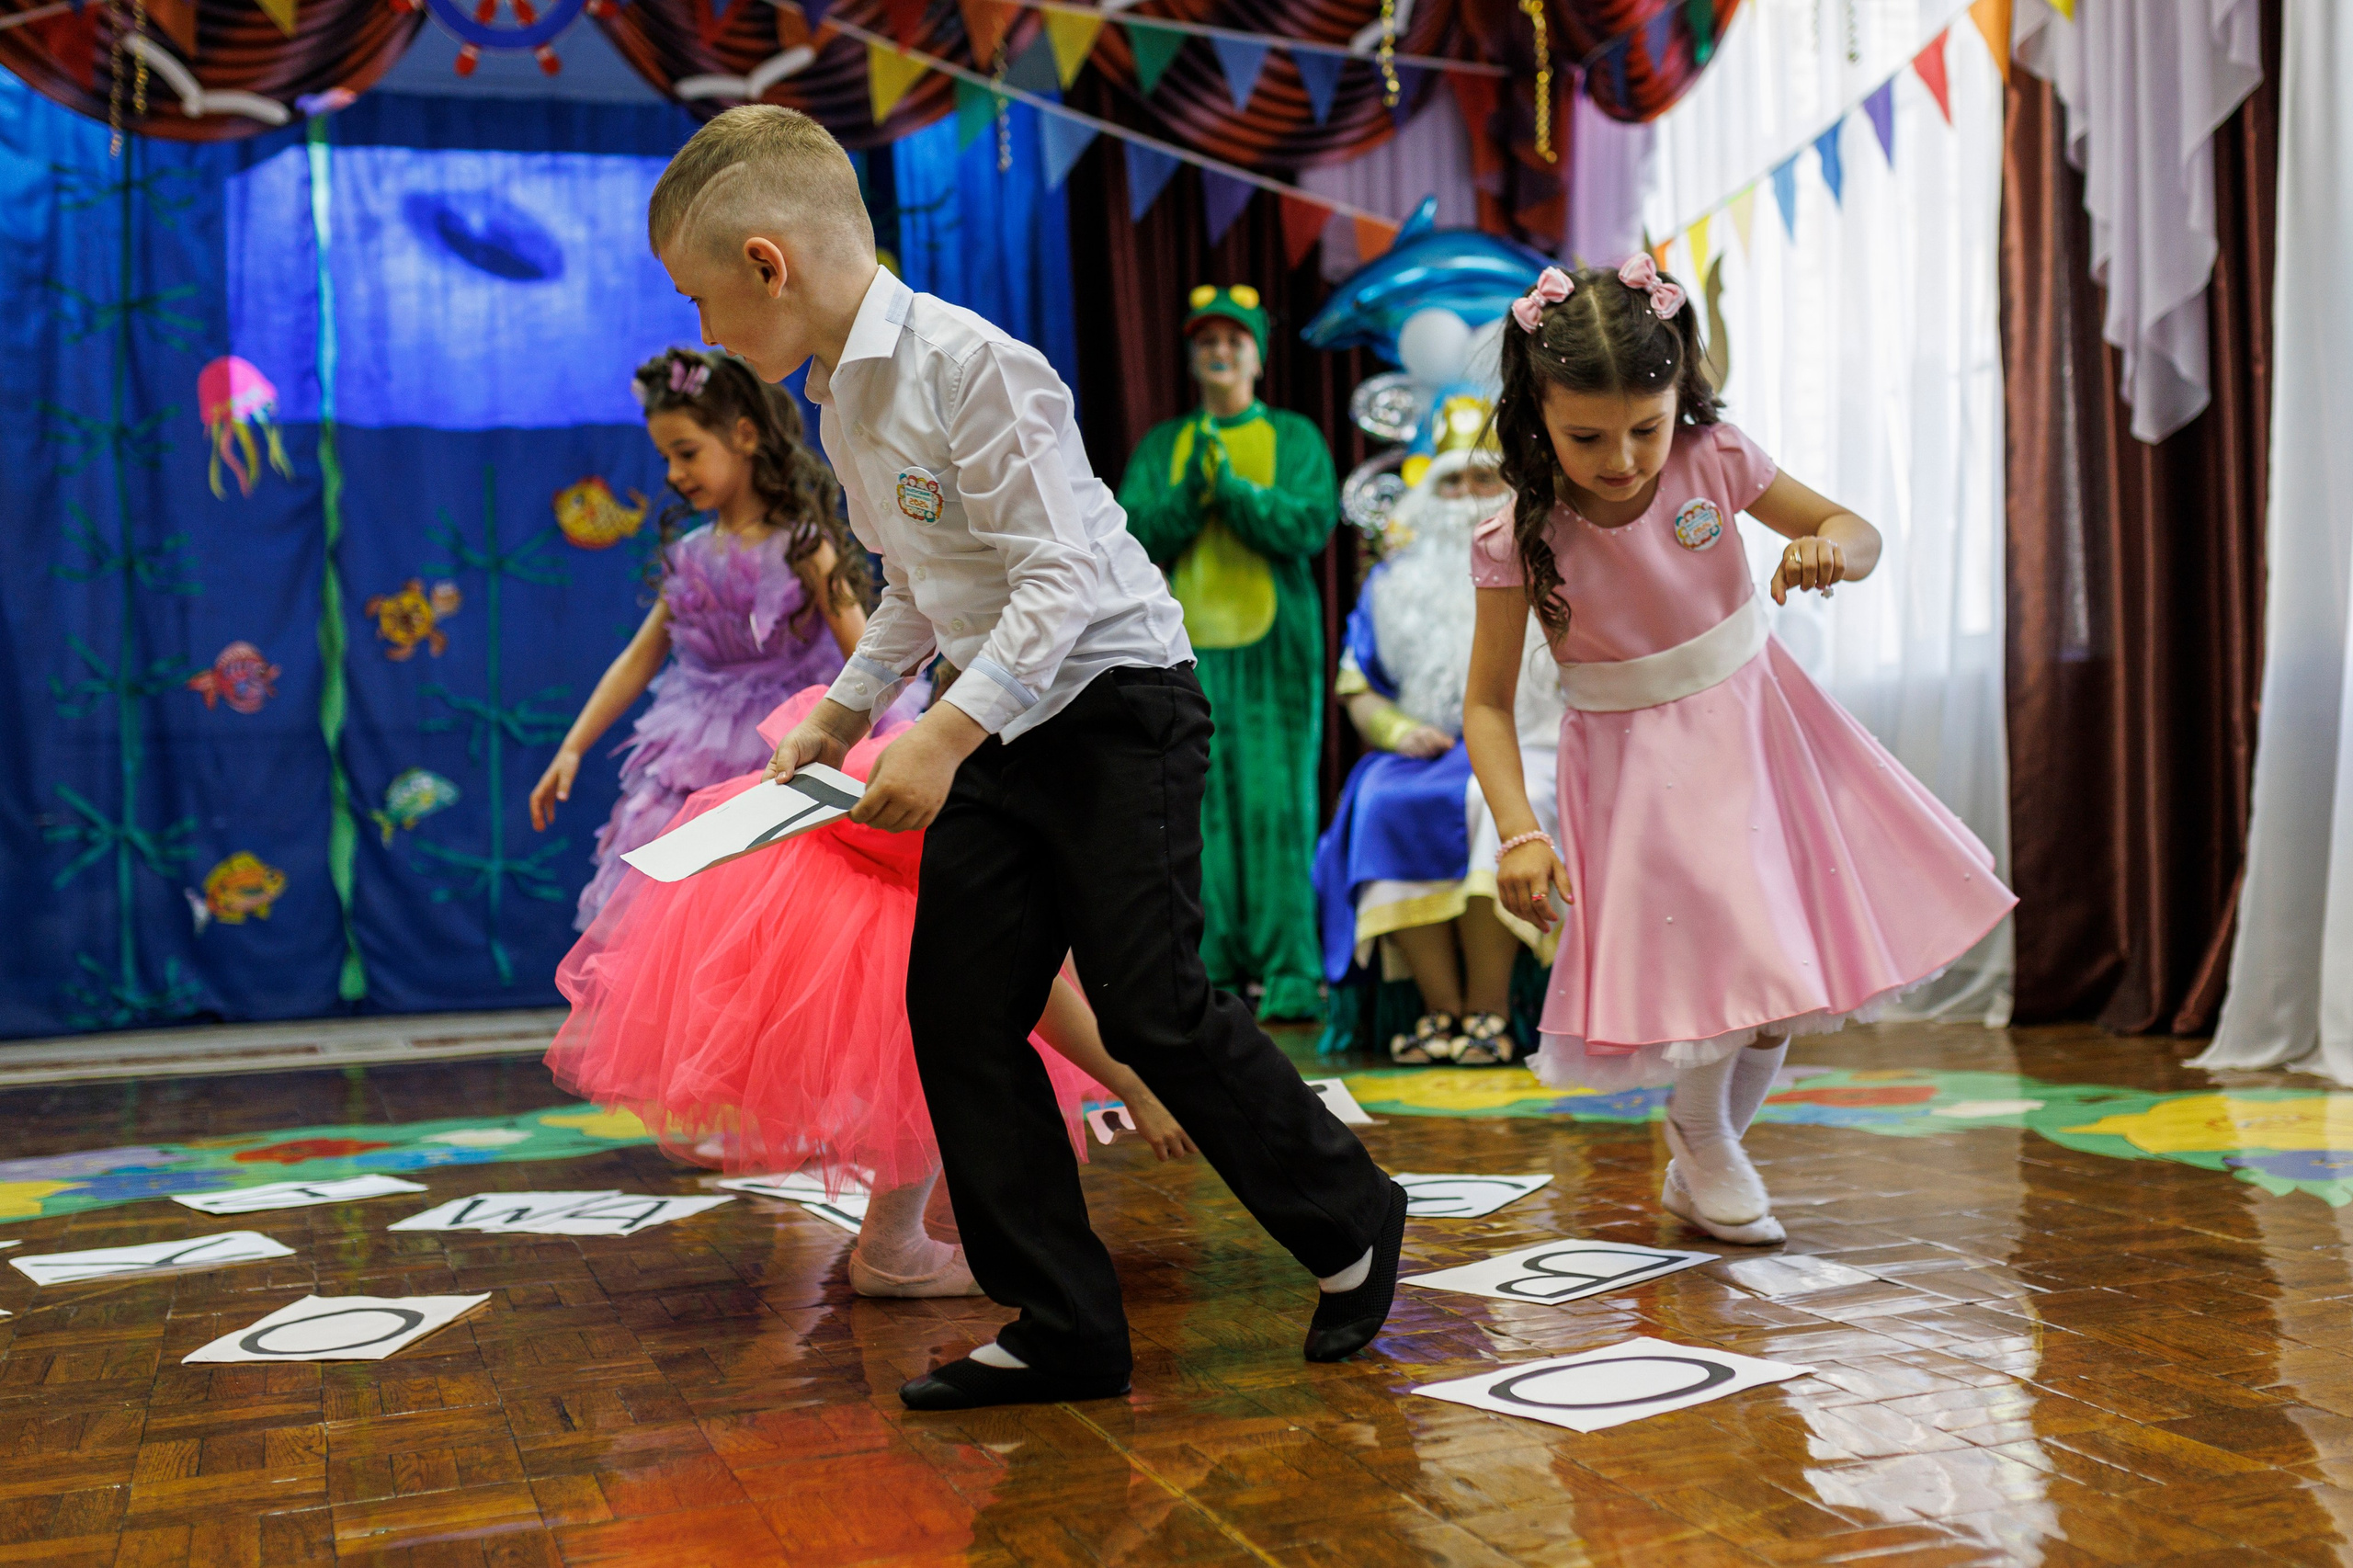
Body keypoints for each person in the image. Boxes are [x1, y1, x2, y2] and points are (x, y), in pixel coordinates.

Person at [644, 105, 1406, 1410]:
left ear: (769, 264)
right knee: (957, 1004)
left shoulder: (973, 364)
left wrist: (940, 732)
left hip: (1117, 702)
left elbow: (1057, 578)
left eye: (704, 300)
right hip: (1005, 715)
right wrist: (847, 705)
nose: (707, 335)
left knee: (1152, 1001)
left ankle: (1351, 1215)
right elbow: (918, 580)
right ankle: (1062, 1322)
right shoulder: (841, 408)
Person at [1464, 260, 2017, 1245]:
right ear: (1534, 408)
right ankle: (1702, 1132)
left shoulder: (1715, 458)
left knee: (1777, 983)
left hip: (1762, 734)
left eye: (1645, 426)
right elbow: (1487, 702)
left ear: (1679, 391)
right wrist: (1517, 830)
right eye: (1586, 436)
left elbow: (1855, 529)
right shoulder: (1519, 533)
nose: (1623, 458)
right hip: (1637, 770)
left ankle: (1701, 1143)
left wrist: (1828, 552)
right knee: (1735, 960)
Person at [545, 687, 1195, 1299]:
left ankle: (937, 1227)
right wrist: (1134, 1086)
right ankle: (892, 1251)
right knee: (941, 1036)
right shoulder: (996, 807)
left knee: (957, 1024)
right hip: (833, 892)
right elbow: (1035, 989)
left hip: (840, 861)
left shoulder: (982, 759)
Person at [529, 347, 868, 928]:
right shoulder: (689, 554)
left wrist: (879, 740)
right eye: (665, 458)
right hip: (696, 747)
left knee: (779, 906)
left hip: (787, 744)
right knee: (685, 913)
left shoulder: (801, 545)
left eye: (686, 453)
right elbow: (638, 660)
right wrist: (573, 745)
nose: (673, 474)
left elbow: (865, 652)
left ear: (744, 436)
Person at [1313, 396, 1566, 1067]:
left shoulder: (1543, 563)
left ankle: (1487, 1009)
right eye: (1450, 481)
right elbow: (1356, 683)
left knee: (1494, 811)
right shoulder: (1392, 584)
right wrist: (1395, 731)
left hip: (1530, 742)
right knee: (1380, 805)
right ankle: (1439, 1008)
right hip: (1421, 751)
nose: (1465, 496)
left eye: (1483, 478)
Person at [1117, 287, 1336, 1022]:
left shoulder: (1296, 437)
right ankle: (1206, 972)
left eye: (1234, 340)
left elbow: (1309, 523)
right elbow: (1133, 534)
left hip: (1275, 652)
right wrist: (1190, 493)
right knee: (1193, 811)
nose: (1219, 351)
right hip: (1183, 654)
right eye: (1206, 341)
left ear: (1258, 356)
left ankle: (1291, 972)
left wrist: (1235, 493)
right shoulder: (1164, 446)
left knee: (1277, 806)